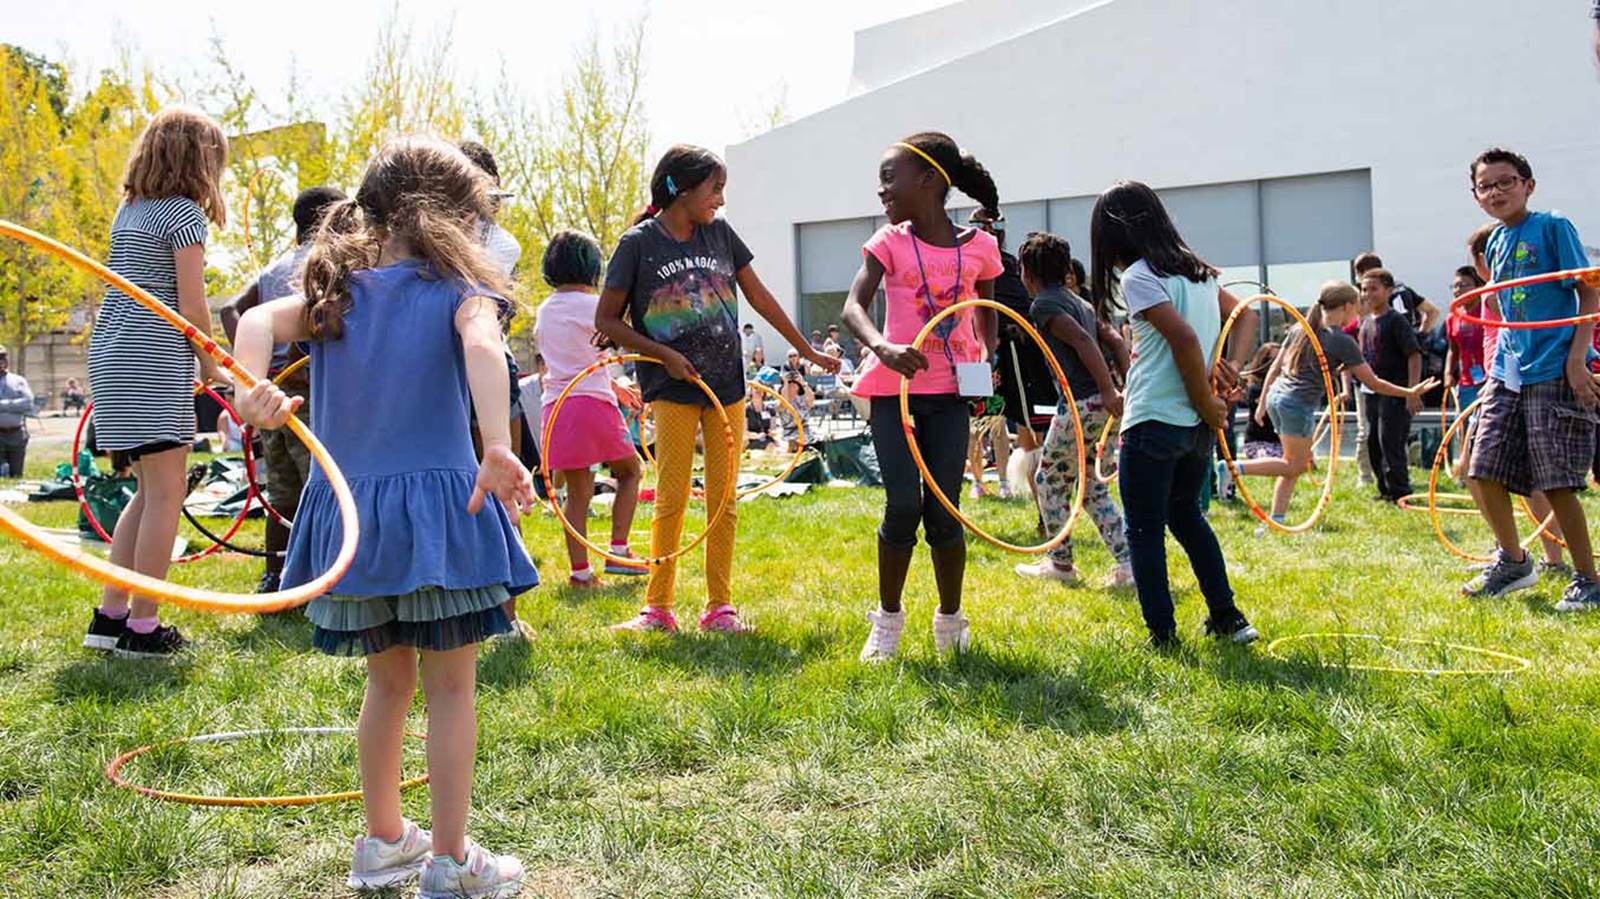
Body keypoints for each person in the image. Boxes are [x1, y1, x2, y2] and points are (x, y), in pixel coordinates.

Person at [231, 137, 537, 896]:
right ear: (451, 216)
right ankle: (449, 860)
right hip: (438, 511)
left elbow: (256, 322)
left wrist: (248, 388)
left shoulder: (336, 295)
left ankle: (385, 840)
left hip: (353, 521)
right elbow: (485, 348)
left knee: (388, 685)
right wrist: (497, 444)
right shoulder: (456, 290)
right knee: (452, 690)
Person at [596, 144, 838, 633]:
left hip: (726, 385)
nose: (721, 201)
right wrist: (663, 354)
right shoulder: (639, 244)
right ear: (682, 190)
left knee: (723, 500)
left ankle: (719, 606)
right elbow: (605, 320)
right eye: (715, 189)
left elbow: (761, 297)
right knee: (672, 497)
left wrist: (805, 350)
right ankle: (657, 607)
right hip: (672, 387)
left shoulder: (721, 234)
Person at [842, 131, 1003, 661]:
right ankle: (887, 620)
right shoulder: (887, 242)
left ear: (931, 180)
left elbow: (989, 316)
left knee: (945, 510)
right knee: (903, 502)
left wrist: (987, 361)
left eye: (891, 179)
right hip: (895, 391)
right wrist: (881, 345)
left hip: (951, 392)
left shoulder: (980, 247)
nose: (882, 192)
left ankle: (950, 619)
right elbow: (854, 308)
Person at [81, 107, 228, 659]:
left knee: (148, 489)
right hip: (150, 355)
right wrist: (212, 364)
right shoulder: (183, 215)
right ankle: (144, 628)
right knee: (168, 491)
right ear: (200, 160)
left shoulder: (131, 210)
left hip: (112, 353)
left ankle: (110, 615)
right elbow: (192, 305)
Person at [1087, 181, 1259, 649]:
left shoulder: (1140, 276)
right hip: (1194, 427)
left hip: (1154, 421)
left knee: (1143, 530)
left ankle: (1162, 636)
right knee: (1186, 518)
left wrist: (1210, 397)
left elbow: (1183, 339)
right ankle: (1227, 616)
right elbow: (1247, 316)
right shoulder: (1199, 274)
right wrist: (1231, 371)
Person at [1460, 147, 1600, 609]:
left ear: (1528, 185)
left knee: (1555, 478)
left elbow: (1588, 293)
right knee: (1481, 469)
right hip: (1510, 371)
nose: (1496, 191)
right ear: (1476, 195)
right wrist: (1495, 372)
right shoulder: (1496, 242)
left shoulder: (1553, 227)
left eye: (1506, 181)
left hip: (1555, 365)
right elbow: (1505, 308)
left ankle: (1587, 579)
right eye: (1486, 185)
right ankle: (1514, 562)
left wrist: (1578, 360)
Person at [220, 185, 347, 594]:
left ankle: (275, 577)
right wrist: (295, 357)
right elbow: (314, 319)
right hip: (300, 392)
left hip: (266, 391)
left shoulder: (274, 267)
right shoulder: (324, 264)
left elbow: (231, 309)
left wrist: (250, 373)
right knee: (321, 485)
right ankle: (326, 576)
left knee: (281, 492)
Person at [1239, 282, 1436, 528]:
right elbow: (1373, 383)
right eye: (1357, 306)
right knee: (1294, 465)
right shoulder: (1341, 340)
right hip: (1296, 404)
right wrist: (1409, 390)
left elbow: (1276, 369)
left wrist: (1262, 405)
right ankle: (1234, 468)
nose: (1358, 313)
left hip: (1278, 398)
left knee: (1291, 466)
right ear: (1347, 306)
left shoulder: (1301, 328)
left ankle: (1277, 519)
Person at [1011, 231, 1132, 587]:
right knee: (1092, 486)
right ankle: (1129, 564)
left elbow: (1082, 341)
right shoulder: (1080, 301)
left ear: (1026, 273)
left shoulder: (1045, 305)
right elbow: (1112, 340)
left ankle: (1060, 565)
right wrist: (1123, 384)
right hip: (1097, 402)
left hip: (1081, 403)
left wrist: (1111, 389)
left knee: (1047, 481)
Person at [535, 229, 647, 587]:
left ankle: (580, 574)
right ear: (593, 267)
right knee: (630, 472)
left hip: (557, 406)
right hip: (591, 404)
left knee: (578, 493)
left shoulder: (544, 310)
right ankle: (619, 552)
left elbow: (572, 363)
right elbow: (615, 344)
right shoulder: (594, 305)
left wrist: (615, 386)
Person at [1357, 269, 1424, 502]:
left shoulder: (1396, 321)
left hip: (1395, 391)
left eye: (1374, 289)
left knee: (1390, 441)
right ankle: (1384, 488)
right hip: (1372, 393)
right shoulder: (1365, 322)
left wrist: (1411, 392)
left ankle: (1400, 491)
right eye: (1364, 289)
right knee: (1373, 442)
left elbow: (1414, 355)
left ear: (1388, 290)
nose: (1368, 294)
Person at [1353, 252, 1440, 335]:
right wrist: (1421, 335)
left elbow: (1365, 319)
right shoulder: (1402, 287)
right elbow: (1433, 311)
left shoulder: (1375, 294)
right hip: (1409, 343)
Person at [0, 346, 34, 478]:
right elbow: (20, 403)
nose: (1, 361)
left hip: (16, 434)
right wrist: (15, 404)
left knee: (16, 475)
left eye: (3, 358)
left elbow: (28, 403)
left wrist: (3, 405)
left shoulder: (18, 381)